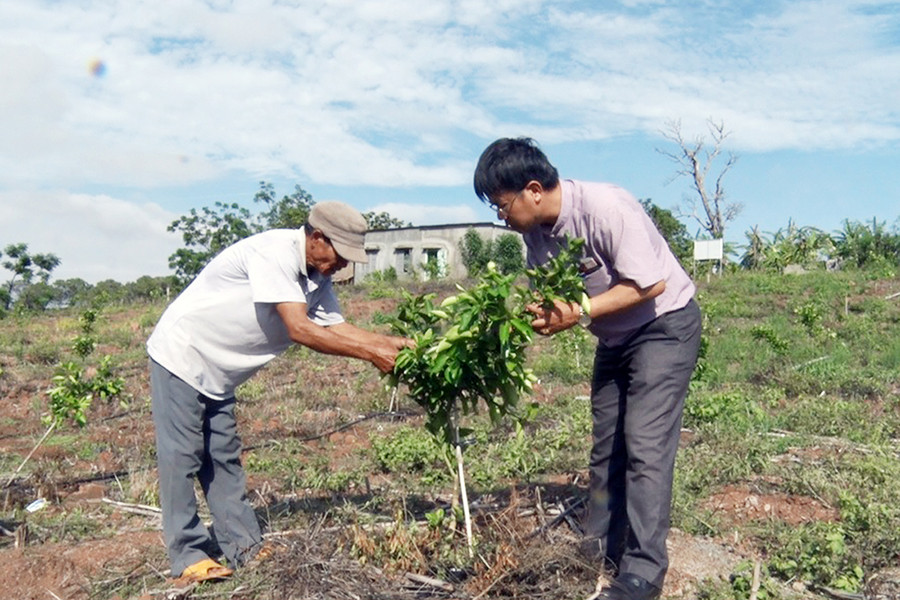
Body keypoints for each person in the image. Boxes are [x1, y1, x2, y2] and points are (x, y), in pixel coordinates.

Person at [473, 138, 702, 600]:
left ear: (533, 190)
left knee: (645, 446)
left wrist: (577, 312)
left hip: (663, 325)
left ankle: (643, 570)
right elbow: (560, 295)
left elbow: (649, 282)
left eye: (502, 206)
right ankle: (598, 546)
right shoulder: (535, 236)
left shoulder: (606, 207)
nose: (501, 217)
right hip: (615, 337)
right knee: (606, 448)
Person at [146, 201, 410, 583]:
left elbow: (337, 327)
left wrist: (392, 343)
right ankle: (187, 553)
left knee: (223, 460)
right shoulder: (275, 253)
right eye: (340, 254)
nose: (343, 266)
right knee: (182, 456)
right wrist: (372, 354)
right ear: (317, 237)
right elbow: (299, 329)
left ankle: (244, 546)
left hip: (220, 373)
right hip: (184, 355)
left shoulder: (318, 276)